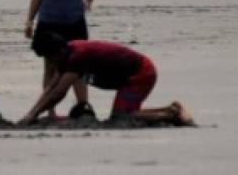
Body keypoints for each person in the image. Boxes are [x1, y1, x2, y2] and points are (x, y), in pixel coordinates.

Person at [21, 33, 193, 126]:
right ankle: (170, 108)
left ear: (57, 53)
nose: (49, 64)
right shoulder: (67, 52)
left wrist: (35, 114)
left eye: (49, 59)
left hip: (141, 73)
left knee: (121, 117)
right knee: (123, 114)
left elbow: (59, 93)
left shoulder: (77, 57)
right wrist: (31, 112)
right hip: (131, 73)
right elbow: (51, 87)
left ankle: (170, 115)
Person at [25, 0, 107, 116]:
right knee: (51, 67)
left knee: (79, 65)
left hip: (75, 20)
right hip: (48, 21)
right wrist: (29, 20)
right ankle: (50, 111)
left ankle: (83, 107)